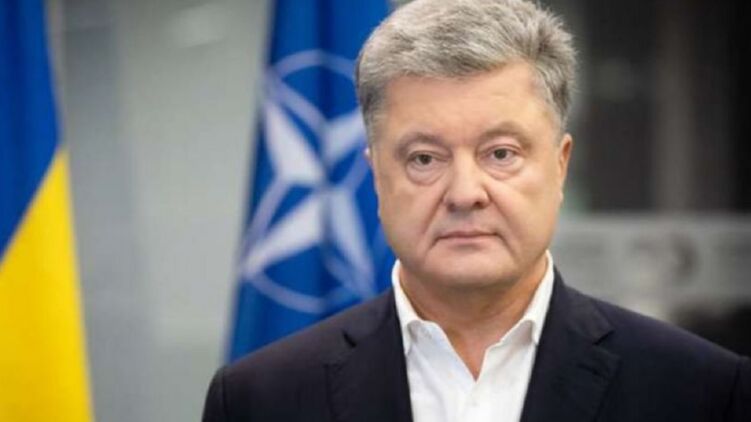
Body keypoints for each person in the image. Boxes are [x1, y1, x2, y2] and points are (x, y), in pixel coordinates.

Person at [202, 0, 751, 421]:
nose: (465, 192)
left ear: (560, 166)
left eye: (501, 154)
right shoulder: (258, 399)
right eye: (424, 158)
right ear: (375, 176)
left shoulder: (701, 391)